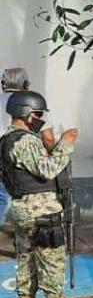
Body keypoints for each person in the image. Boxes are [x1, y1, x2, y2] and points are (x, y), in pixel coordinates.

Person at [0, 91, 86, 298]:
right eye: (38, 115)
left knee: (26, 262)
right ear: (27, 114)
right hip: (42, 211)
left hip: (22, 209)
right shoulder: (25, 141)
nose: (41, 119)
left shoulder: (5, 141)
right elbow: (47, 170)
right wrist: (66, 143)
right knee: (51, 263)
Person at [0, 68, 31, 227]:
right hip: (18, 158)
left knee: (2, 198)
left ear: (2, 84)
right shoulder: (29, 102)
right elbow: (47, 136)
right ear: (26, 84)